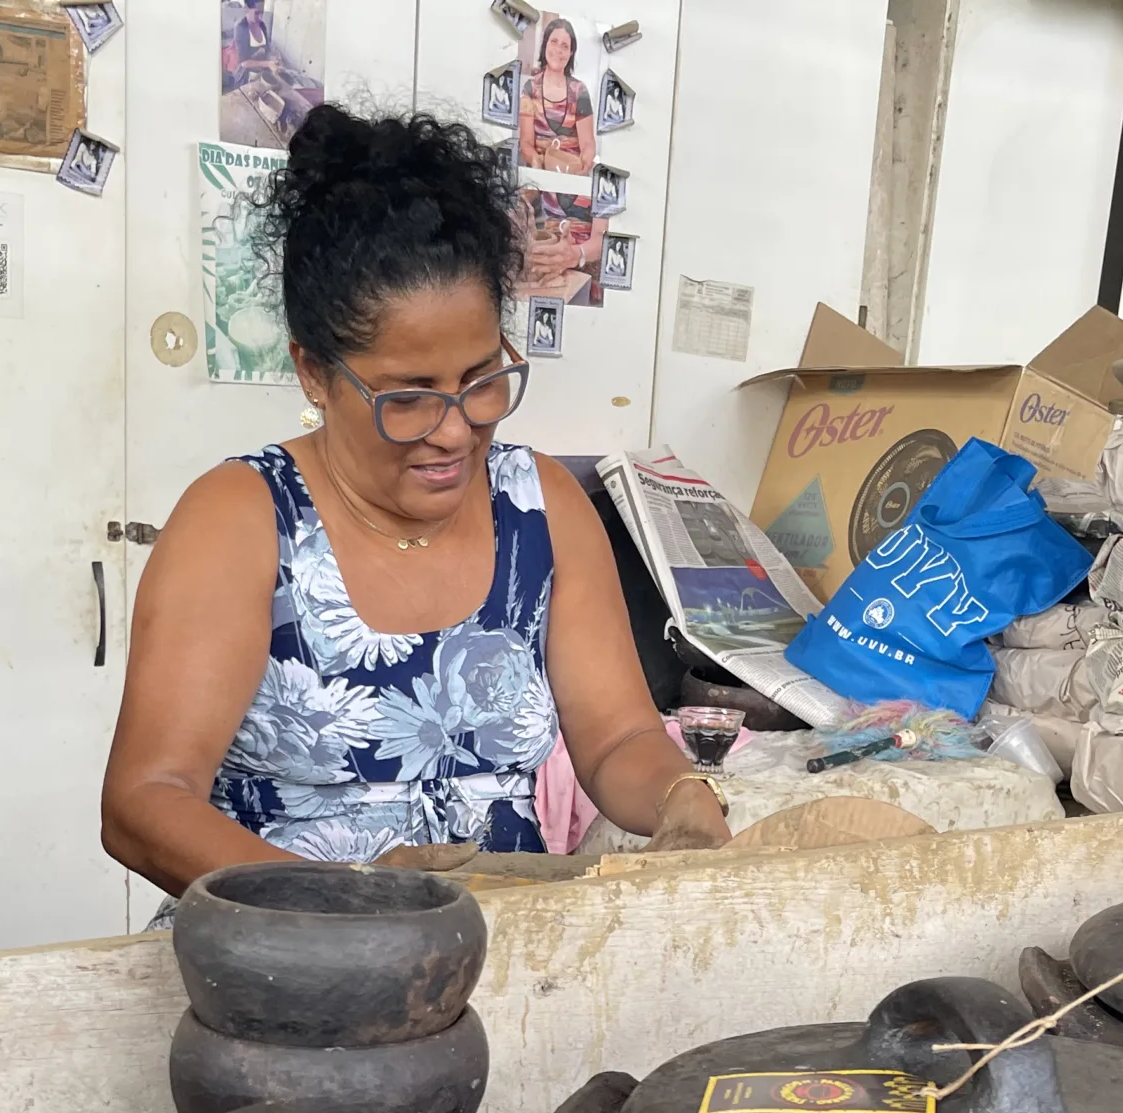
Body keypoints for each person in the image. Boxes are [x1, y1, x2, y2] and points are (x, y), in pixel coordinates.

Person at [102, 106, 728, 895]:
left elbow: (620, 736)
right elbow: (143, 801)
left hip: (503, 952)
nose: (456, 431)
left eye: (480, 382)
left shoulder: (543, 509)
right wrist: (344, 901)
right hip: (282, 959)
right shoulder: (243, 519)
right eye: (409, 397)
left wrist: (683, 797)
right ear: (314, 373)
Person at [518, 17, 595, 172]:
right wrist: (536, 162)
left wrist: (584, 164)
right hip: (539, 176)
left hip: (571, 175)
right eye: (554, 42)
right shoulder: (530, 88)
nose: (558, 50)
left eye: (565, 46)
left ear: (571, 53)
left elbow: (588, 143)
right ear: (545, 43)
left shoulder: (580, 91)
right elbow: (525, 142)